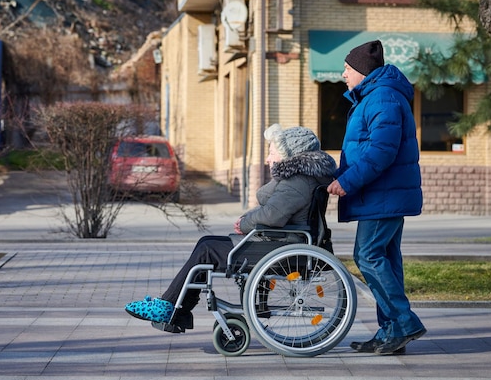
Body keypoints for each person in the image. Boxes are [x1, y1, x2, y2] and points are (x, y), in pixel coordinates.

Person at [125, 124, 336, 332]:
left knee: (206, 250)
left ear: (290, 155)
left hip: (280, 247)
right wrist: (277, 177)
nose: (268, 159)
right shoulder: (298, 179)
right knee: (205, 243)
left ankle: (169, 307)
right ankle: (177, 310)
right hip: (280, 243)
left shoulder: (297, 182)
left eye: (272, 153)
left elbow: (272, 215)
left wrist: (245, 223)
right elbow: (267, 201)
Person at [327, 40, 427, 355]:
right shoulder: (375, 96)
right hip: (383, 194)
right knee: (387, 259)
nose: (343, 74)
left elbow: (381, 151)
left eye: (347, 68)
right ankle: (391, 333)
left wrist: (348, 181)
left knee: (368, 255)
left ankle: (404, 322)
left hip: (382, 194)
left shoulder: (382, 97)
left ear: (362, 71)